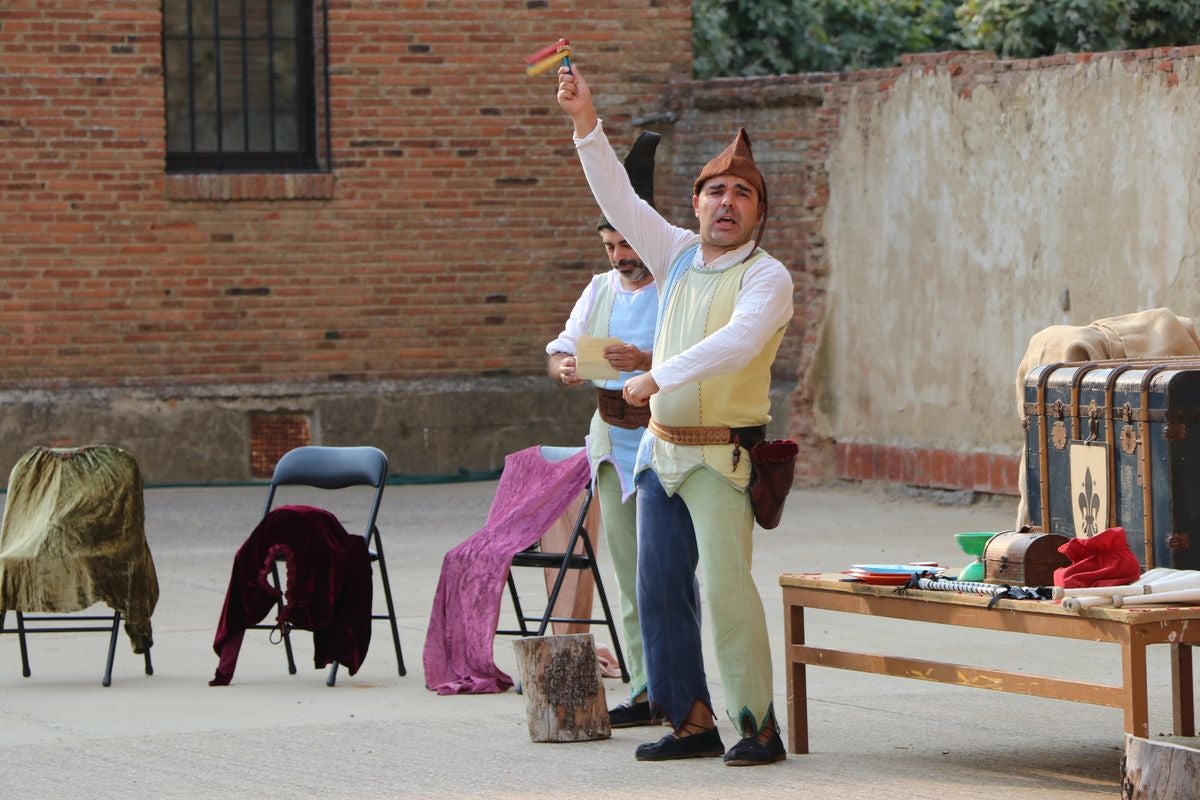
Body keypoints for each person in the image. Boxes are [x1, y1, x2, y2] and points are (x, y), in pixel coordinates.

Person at [556, 63, 794, 766]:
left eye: (742, 194)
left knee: (724, 591)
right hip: (660, 453)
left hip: (720, 460)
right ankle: (690, 721)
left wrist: (659, 373)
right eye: (716, 190)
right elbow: (616, 196)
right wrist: (584, 119)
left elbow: (738, 343)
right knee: (657, 590)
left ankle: (759, 727)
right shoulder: (676, 253)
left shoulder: (767, 276)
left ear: (758, 212)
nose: (727, 202)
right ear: (694, 203)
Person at [545, 132, 661, 729]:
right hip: (611, 440)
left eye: (627, 241)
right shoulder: (599, 289)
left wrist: (645, 361)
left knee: (666, 570)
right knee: (628, 572)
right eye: (610, 243)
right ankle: (645, 689)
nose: (619, 254)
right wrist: (565, 367)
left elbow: (695, 358)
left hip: (665, 440)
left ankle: (679, 686)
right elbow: (560, 349)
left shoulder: (676, 286)